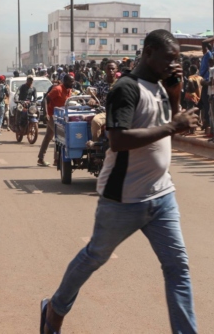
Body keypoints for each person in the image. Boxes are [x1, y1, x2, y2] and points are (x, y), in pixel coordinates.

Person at [40, 30, 199, 334]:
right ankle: (55, 309)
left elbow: (172, 124)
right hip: (123, 198)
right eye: (169, 59)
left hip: (162, 196)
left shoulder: (163, 87)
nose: (173, 65)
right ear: (149, 52)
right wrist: (170, 126)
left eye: (176, 60)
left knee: (178, 268)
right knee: (94, 256)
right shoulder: (125, 88)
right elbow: (118, 139)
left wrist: (175, 95)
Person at [37, 74, 73, 167]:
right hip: (52, 115)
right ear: (65, 81)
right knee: (59, 136)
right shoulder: (58, 89)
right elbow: (45, 100)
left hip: (61, 116)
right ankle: (57, 159)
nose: (73, 83)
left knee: (48, 136)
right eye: (71, 81)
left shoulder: (69, 90)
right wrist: (45, 114)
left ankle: (41, 158)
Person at [87, 60, 118, 143]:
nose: (111, 71)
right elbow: (93, 95)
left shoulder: (121, 84)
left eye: (113, 69)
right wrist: (92, 100)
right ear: (105, 70)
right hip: (105, 112)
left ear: (116, 70)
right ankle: (95, 145)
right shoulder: (99, 84)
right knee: (96, 121)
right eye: (109, 69)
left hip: (119, 112)